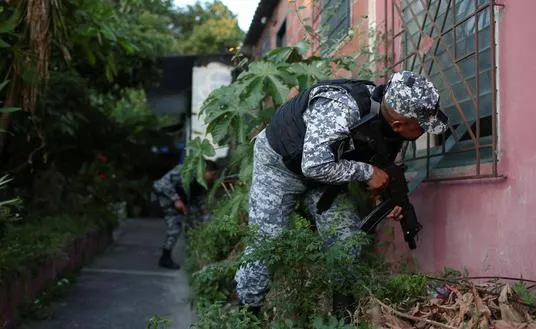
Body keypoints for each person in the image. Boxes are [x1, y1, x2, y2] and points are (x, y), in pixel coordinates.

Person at [234, 71, 448, 317]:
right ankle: (246, 314)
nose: (424, 131)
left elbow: (368, 162)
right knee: (266, 245)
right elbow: (313, 165)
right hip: (280, 165)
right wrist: (367, 172)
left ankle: (342, 316)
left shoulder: (390, 130)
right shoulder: (343, 108)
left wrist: (383, 198)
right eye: (421, 126)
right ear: (400, 123)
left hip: (326, 175)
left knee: (347, 241)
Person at [153, 160, 219, 269]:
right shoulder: (185, 171)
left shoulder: (200, 181)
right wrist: (176, 200)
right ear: (206, 171)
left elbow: (198, 197)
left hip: (184, 201)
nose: (214, 178)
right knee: (175, 228)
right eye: (213, 174)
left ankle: (196, 257)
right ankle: (165, 258)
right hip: (168, 199)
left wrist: (204, 212)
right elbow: (162, 184)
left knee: (196, 223)